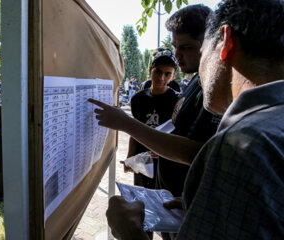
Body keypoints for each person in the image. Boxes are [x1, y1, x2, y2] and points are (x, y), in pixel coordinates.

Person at [105, 0, 284, 239]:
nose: (199, 66)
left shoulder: (242, 147)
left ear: (225, 42)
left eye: (199, 51)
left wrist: (130, 232)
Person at [89, 4, 221, 239]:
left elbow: (197, 151)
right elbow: (183, 133)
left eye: (187, 47)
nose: (178, 55)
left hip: (182, 191)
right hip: (172, 195)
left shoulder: (211, 89)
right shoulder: (194, 83)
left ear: (210, 44)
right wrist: (159, 149)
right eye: (175, 46)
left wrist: (126, 123)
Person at [126, 49, 180, 239]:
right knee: (142, 206)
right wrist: (129, 159)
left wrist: (166, 151)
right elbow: (134, 132)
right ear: (150, 70)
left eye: (167, 74)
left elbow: (180, 135)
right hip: (143, 162)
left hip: (166, 164)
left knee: (165, 207)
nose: (162, 78)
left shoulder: (177, 101)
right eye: (158, 72)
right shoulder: (138, 99)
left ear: (174, 75)